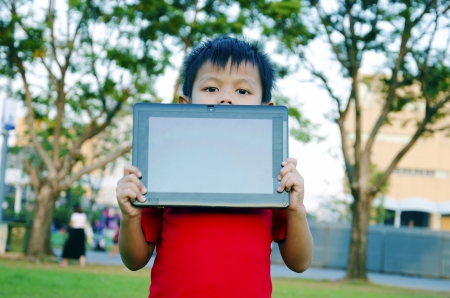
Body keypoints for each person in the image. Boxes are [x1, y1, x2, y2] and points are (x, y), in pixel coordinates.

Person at [116, 36, 314, 297]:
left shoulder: (272, 178)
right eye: (211, 88)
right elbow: (135, 260)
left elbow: (299, 263)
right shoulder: (165, 171)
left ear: (266, 110)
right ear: (184, 104)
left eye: (242, 91)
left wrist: (296, 209)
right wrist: (130, 216)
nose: (226, 99)